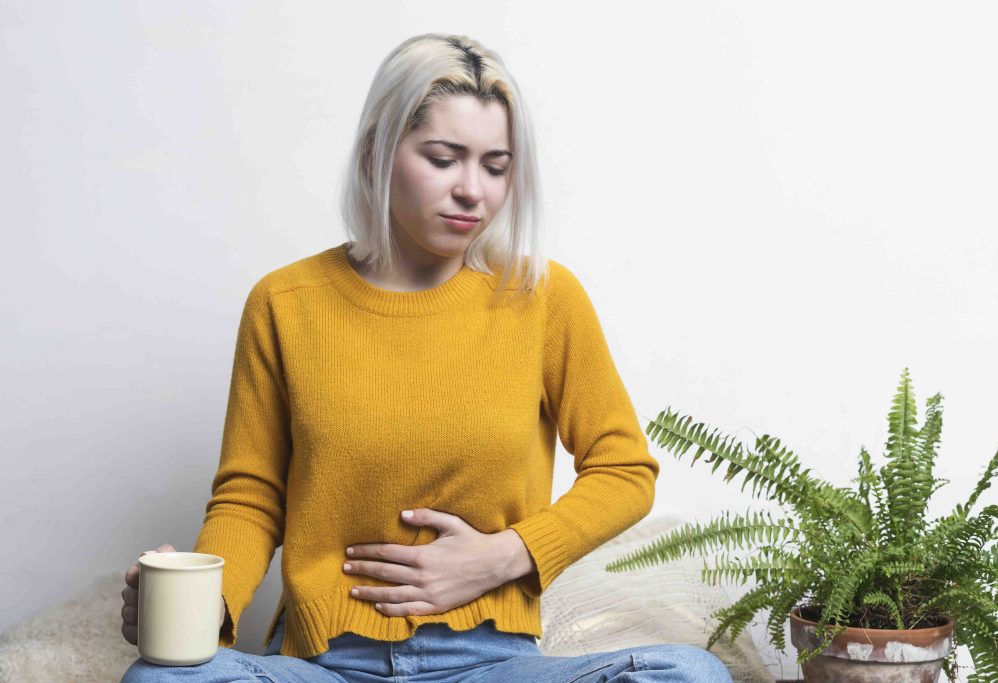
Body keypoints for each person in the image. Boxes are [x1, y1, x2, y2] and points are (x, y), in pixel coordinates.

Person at [119, 32, 733, 682]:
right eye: (444, 158)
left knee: (688, 673)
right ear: (377, 153)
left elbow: (625, 469)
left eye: (496, 166)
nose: (473, 190)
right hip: (325, 664)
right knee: (157, 678)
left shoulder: (543, 299)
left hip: (491, 663)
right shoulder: (285, 302)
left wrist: (505, 555)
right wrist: (195, 611)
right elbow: (251, 496)